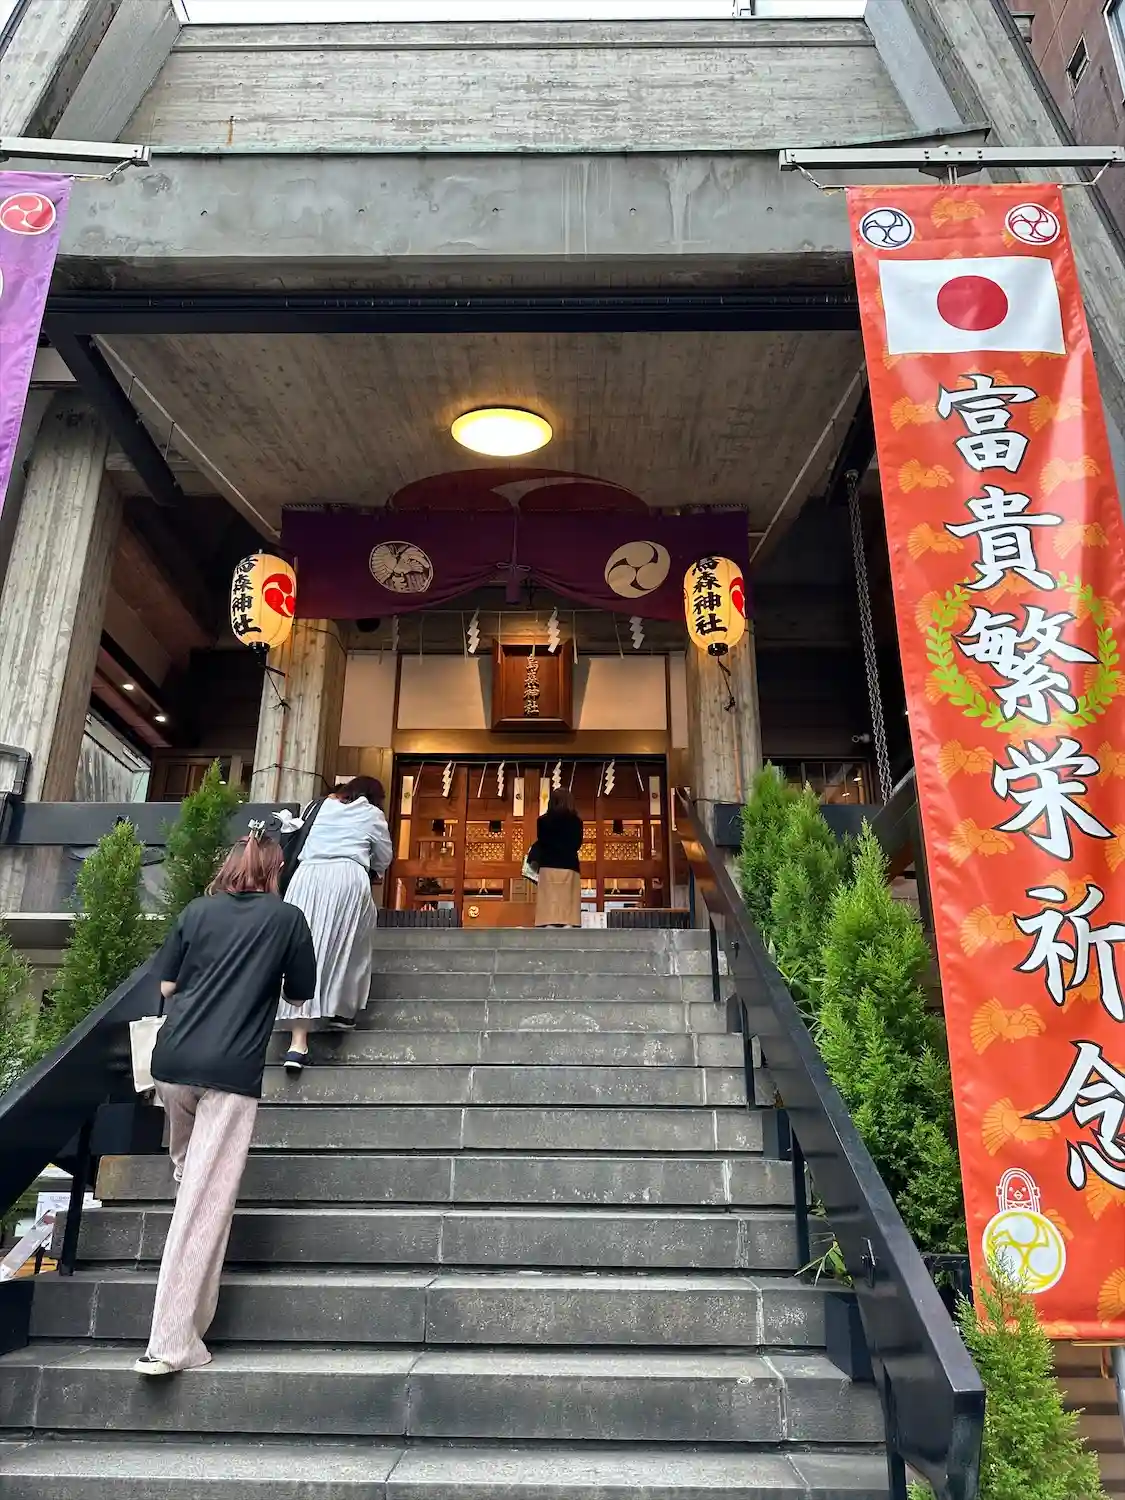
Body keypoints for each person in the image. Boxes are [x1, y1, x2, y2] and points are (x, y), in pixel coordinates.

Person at [135, 828, 316, 1378]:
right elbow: (300, 991)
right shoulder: (287, 919)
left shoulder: (196, 911)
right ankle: (171, 1342)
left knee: (190, 1175)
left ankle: (186, 1298)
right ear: (275, 870)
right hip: (230, 1072)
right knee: (205, 1202)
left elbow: (166, 987)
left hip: (173, 1063)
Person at [277, 775, 393, 1071]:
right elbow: (384, 857)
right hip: (347, 876)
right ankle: (342, 1010)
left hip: (308, 876)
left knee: (303, 950)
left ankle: (297, 1044)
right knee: (351, 945)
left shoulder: (317, 806)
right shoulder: (371, 813)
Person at [534, 788, 584, 928]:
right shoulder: (576, 821)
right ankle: (569, 923)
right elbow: (577, 844)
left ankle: (548, 923)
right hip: (569, 864)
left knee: (548, 898)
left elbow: (542, 842)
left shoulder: (542, 821)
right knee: (568, 899)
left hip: (548, 864)